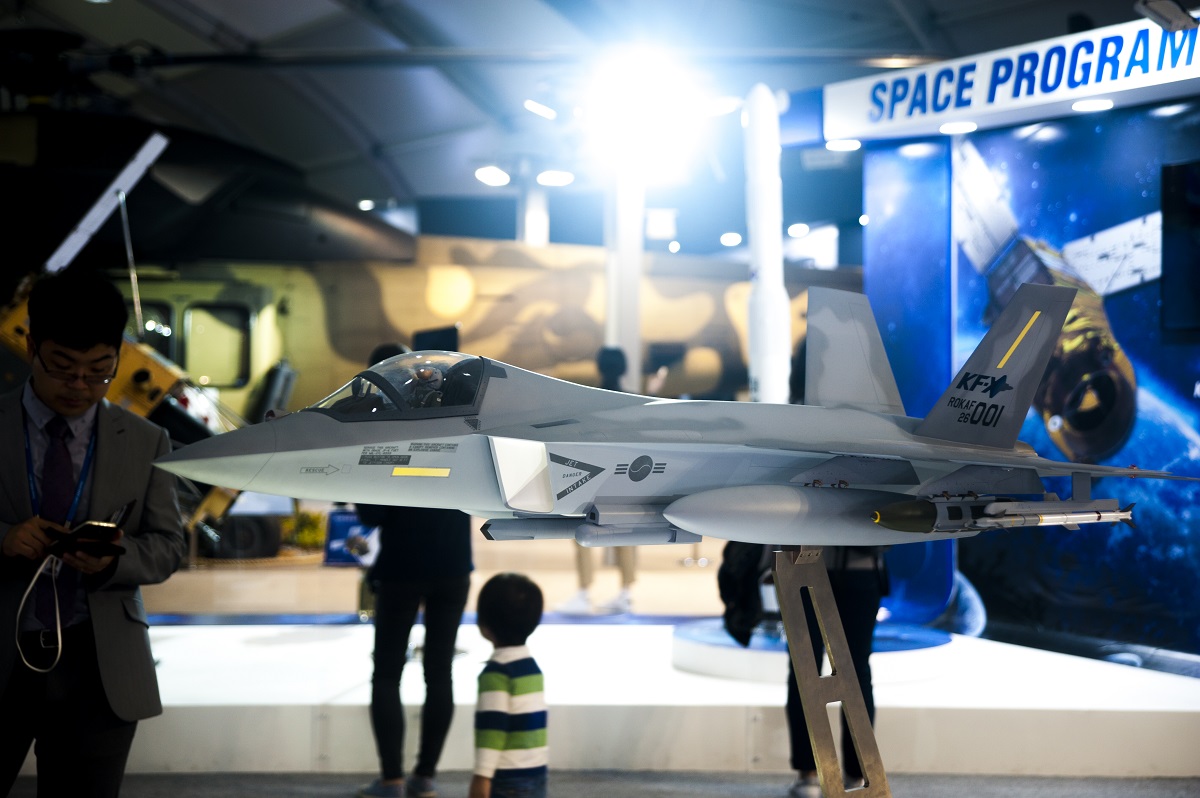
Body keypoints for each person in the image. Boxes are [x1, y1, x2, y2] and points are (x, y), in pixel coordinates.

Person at [0, 269, 188, 797]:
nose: (79, 386)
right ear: (31, 347)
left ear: (117, 359)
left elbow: (169, 546)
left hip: (99, 665)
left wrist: (114, 559)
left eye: (99, 372)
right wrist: (4, 538)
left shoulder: (147, 441)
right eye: (62, 368)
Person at [357, 343, 474, 798]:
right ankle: (425, 778)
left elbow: (371, 514)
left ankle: (391, 779)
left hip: (402, 567)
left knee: (387, 673)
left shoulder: (384, 430)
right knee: (439, 672)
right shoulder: (454, 421)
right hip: (452, 564)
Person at [470, 573, 547, 798]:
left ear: (484, 623)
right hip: (536, 772)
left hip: (507, 777)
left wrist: (482, 776)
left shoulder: (497, 674)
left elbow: (493, 730)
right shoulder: (531, 668)